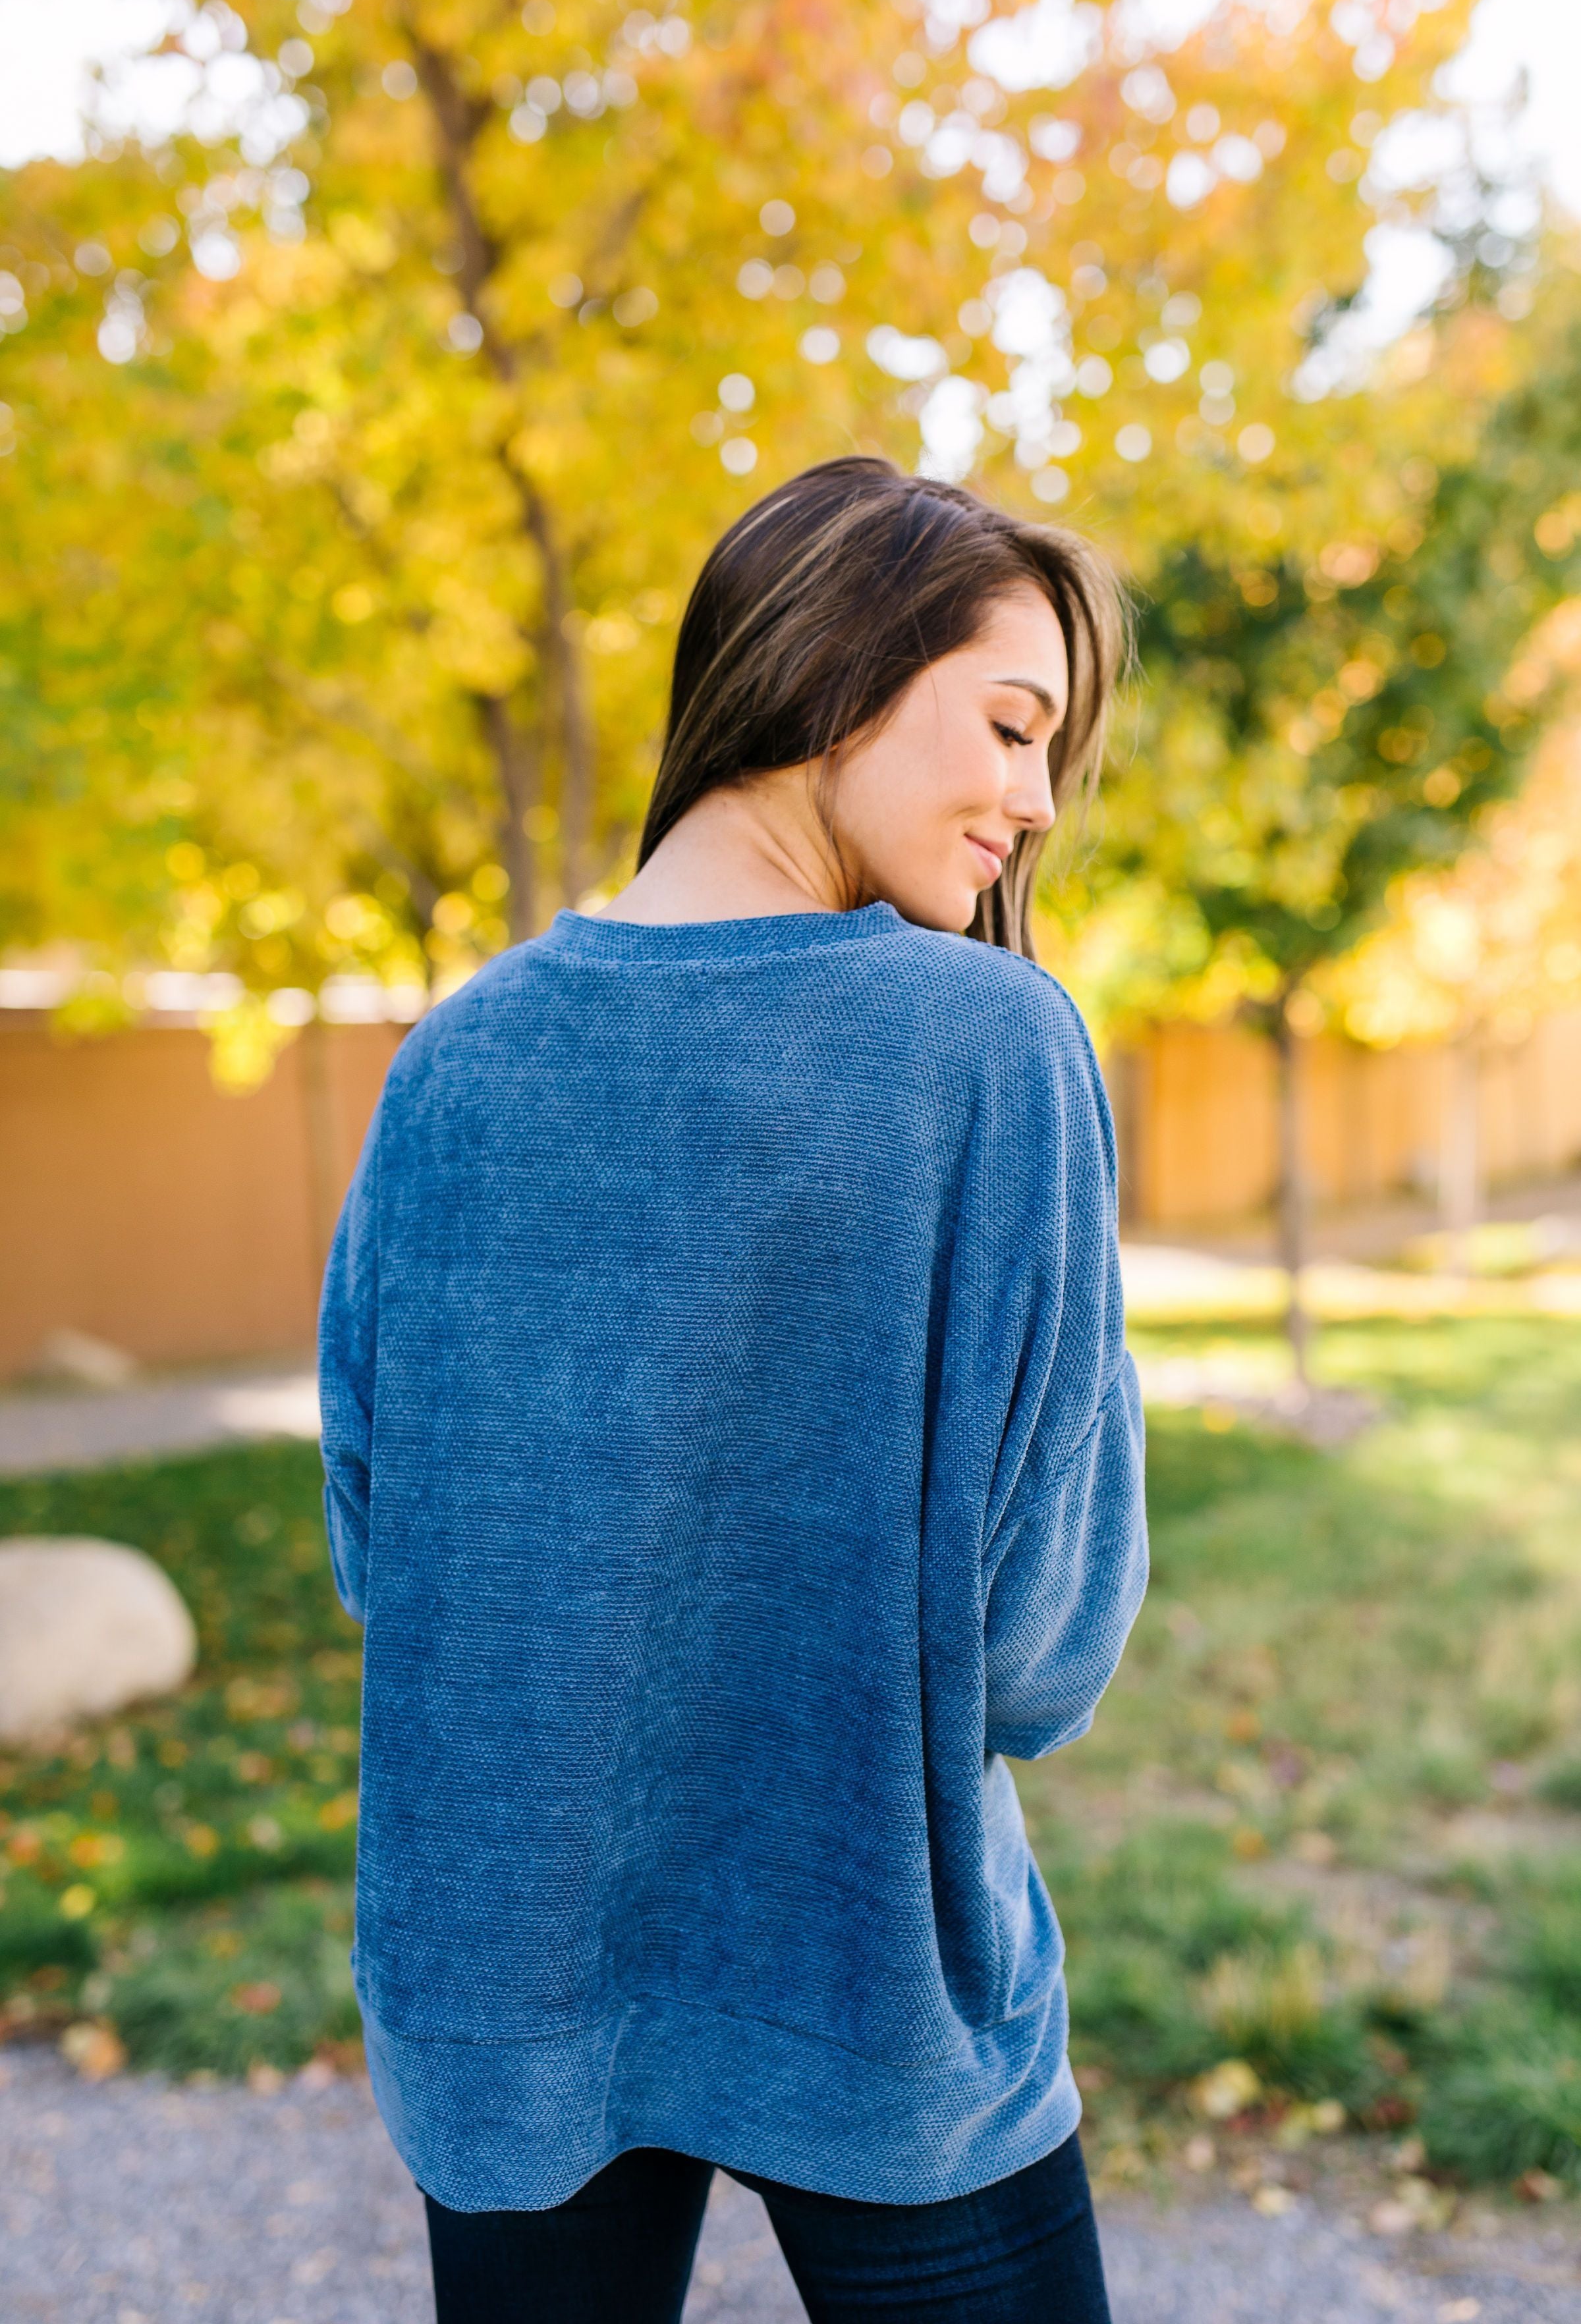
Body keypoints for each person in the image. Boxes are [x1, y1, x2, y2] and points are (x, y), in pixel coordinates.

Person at [318, 455, 1150, 2323]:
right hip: (877, 1984)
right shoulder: (992, 1047)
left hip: (500, 1980)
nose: (1036, 802)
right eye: (1013, 728)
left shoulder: (453, 1064)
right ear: (839, 672)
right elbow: (1042, 1654)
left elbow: (388, 1555)